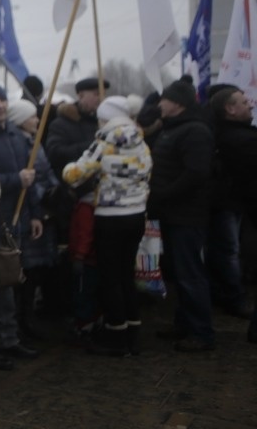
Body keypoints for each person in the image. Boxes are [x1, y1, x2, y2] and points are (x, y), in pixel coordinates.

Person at [62, 96, 152, 356]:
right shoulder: (141, 142)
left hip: (111, 217)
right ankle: (133, 331)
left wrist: (70, 165)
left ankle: (116, 334)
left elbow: (74, 174)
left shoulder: (104, 143)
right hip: (136, 215)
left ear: (107, 118)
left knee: (110, 279)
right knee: (126, 275)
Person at [0, 84, 43, 371]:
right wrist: (16, 179)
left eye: (2, 99)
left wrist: (35, 214)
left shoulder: (17, 135)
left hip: (17, 222)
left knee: (10, 285)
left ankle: (9, 339)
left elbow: (31, 181)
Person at [148, 80, 216, 352]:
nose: (159, 104)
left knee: (191, 274)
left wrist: (163, 194)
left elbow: (196, 173)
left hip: (187, 216)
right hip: (172, 214)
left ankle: (202, 332)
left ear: (177, 103)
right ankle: (184, 323)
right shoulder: (172, 129)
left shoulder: (195, 131)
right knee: (179, 273)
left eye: (163, 100)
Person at [7, 98, 59, 341]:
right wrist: (40, 197)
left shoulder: (35, 142)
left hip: (43, 213)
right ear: (19, 120)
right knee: (24, 272)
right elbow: (25, 182)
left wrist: (55, 191)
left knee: (36, 271)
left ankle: (27, 318)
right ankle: (19, 322)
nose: (37, 120)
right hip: (28, 213)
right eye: (32, 117)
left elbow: (45, 173)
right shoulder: (17, 143)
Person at [207, 85, 256, 321]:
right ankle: (234, 297)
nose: (251, 104)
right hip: (229, 204)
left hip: (233, 204)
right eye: (244, 102)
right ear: (230, 109)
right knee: (229, 252)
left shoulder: (227, 134)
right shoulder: (238, 139)